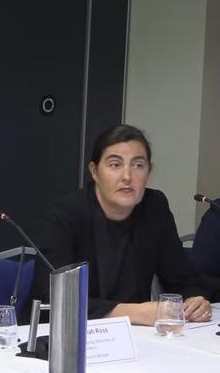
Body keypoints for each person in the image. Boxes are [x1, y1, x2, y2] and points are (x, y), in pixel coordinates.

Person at [30, 124, 212, 324]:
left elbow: (181, 279)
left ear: (149, 171)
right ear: (95, 172)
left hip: (136, 337)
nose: (127, 176)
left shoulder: (154, 207)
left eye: (138, 165)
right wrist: (136, 313)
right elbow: (51, 300)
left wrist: (194, 300)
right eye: (115, 165)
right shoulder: (66, 214)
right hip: (65, 336)